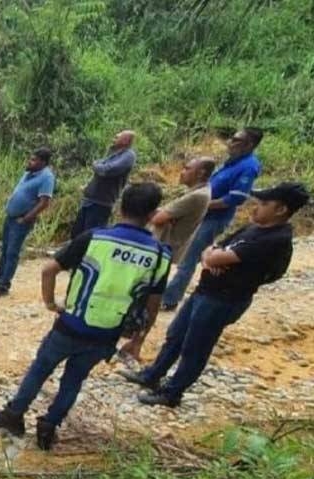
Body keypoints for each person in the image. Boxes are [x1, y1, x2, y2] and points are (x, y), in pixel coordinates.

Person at [0, 183, 171, 450]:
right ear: (153, 214)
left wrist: (52, 303)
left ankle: (14, 415)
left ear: (120, 206)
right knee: (74, 380)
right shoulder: (159, 255)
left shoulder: (96, 239)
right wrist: (138, 339)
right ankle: (49, 426)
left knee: (40, 369)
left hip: (71, 324)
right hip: (108, 332)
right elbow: (153, 305)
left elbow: (49, 269)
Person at [120, 182, 307, 407]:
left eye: (264, 204)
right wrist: (214, 256)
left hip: (224, 299)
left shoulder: (275, 239)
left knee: (195, 347)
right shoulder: (253, 229)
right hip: (206, 291)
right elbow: (210, 248)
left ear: (281, 210)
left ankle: (172, 393)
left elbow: (215, 256)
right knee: (176, 335)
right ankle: (152, 375)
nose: (256, 208)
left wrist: (214, 258)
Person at [120, 157, 216, 361]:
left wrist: (162, 214)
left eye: (187, 168)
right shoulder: (199, 193)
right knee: (145, 298)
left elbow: (157, 218)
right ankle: (134, 340)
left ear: (200, 173)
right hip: (163, 249)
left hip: (161, 250)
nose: (182, 171)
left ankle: (136, 342)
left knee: (147, 299)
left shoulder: (196, 196)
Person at [161, 128, 264, 310]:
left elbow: (236, 198)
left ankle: (169, 298)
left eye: (236, 140)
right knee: (183, 253)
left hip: (214, 218)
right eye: (231, 138)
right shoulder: (233, 161)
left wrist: (202, 204)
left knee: (188, 257)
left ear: (249, 145)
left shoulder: (248, 166)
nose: (230, 142)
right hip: (203, 215)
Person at [0, 148, 55, 297]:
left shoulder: (47, 177)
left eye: (33, 160)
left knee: (12, 252)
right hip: (11, 217)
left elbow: (44, 202)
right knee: (5, 250)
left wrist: (26, 218)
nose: (29, 162)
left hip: (21, 220)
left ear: (43, 162)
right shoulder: (28, 174)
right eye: (30, 159)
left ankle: (3, 285)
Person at [69, 130, 137, 240]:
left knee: (90, 237)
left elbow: (106, 170)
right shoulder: (115, 153)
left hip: (101, 203)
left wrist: (96, 165)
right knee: (77, 234)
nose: (113, 139)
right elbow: (100, 168)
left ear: (125, 141)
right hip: (89, 200)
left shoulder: (129, 155)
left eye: (117, 137)